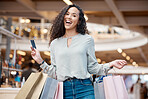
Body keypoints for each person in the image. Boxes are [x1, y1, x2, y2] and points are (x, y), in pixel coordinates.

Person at [31, 4, 127, 99]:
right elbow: (55, 73)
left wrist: (111, 64)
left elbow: (93, 68)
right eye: (67, 14)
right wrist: (40, 61)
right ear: (63, 17)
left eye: (74, 15)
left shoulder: (87, 40)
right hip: (63, 90)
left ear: (79, 21)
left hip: (84, 88)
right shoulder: (54, 43)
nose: (69, 17)